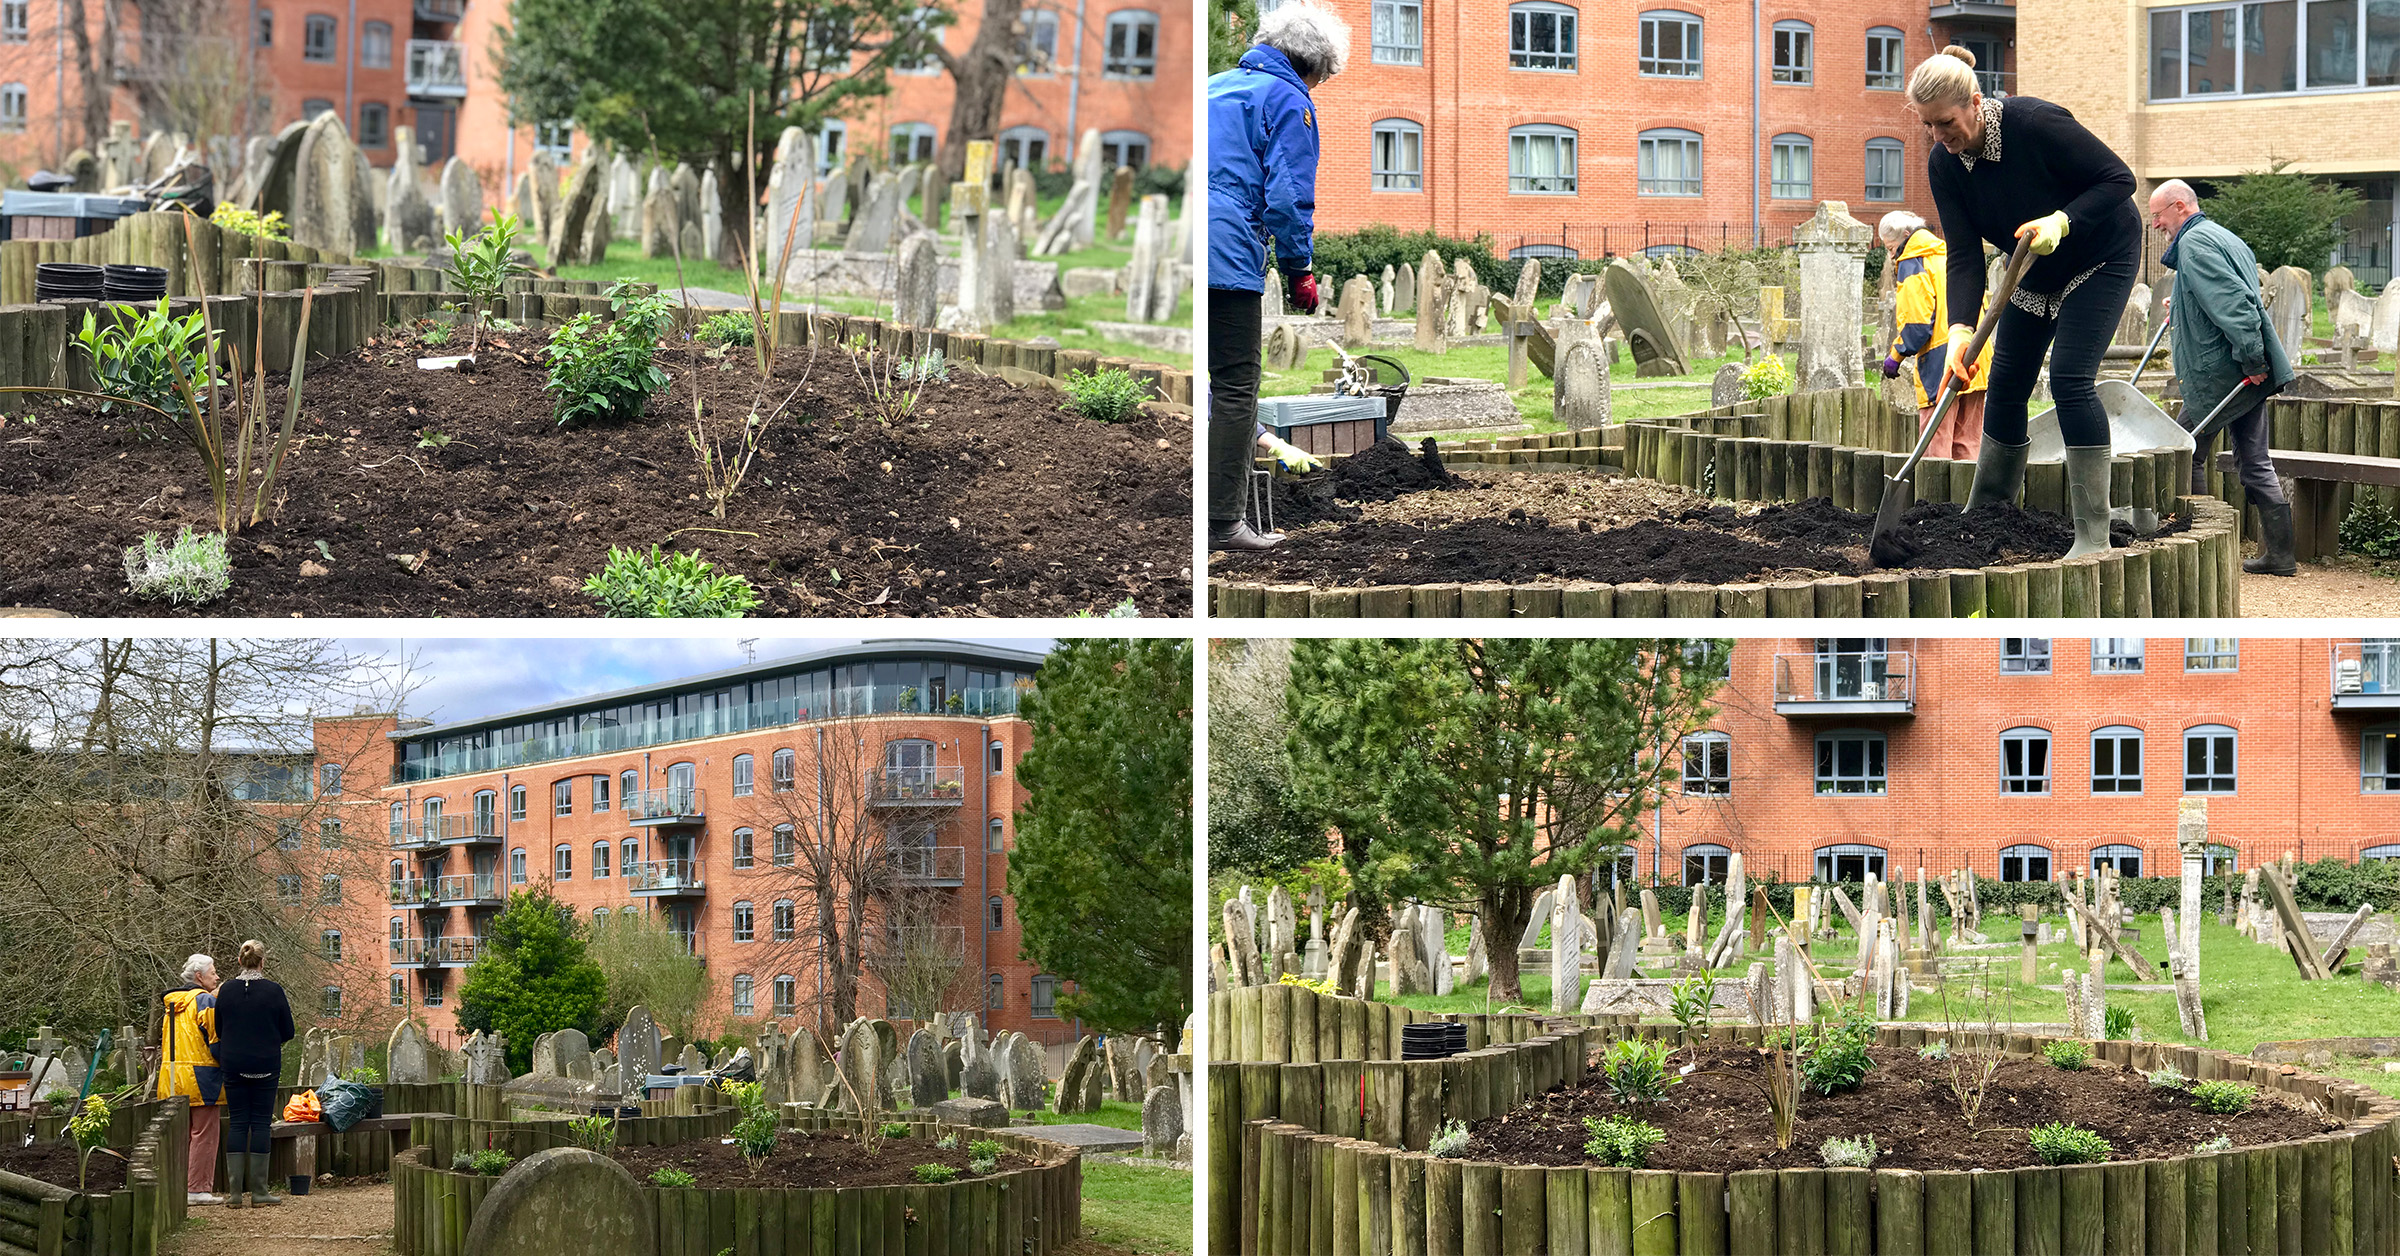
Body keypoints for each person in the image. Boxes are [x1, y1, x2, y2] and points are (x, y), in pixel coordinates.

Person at [1913, 45, 2141, 559]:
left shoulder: (2034, 123)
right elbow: (1964, 255)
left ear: (1975, 103)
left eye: (1946, 122)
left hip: (2100, 255)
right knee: (2006, 384)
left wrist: (2062, 220)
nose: (1939, 136)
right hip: (2031, 269)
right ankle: (1989, 517)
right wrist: (1958, 332)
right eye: (1928, 125)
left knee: (2069, 379)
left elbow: (2119, 179)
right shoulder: (1945, 164)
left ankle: (2093, 536)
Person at [1205, 2, 1352, 551]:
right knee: (1235, 382)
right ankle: (1224, 523)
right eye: (1322, 78)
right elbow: (1288, 197)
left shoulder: (1214, 86)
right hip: (1225, 250)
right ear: (1312, 66)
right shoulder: (1290, 99)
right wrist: (1299, 271)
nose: (1317, 87)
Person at [2148, 179, 2297, 575]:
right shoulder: (2224, 237)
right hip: (2240, 371)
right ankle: (2281, 556)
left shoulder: (2194, 245)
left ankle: (2200, 549)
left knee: (2183, 453)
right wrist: (2182, 304)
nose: (2156, 224)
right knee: (2255, 460)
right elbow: (2228, 292)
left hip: (2222, 376)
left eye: (2158, 215)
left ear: (2180, 207)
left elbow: (2235, 305)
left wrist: (2252, 361)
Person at [1877, 210, 1993, 461]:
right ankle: (1969, 489)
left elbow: (1917, 325)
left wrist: (1895, 357)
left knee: (1936, 445)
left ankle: (1934, 489)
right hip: (1976, 356)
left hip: (1941, 364)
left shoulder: (1913, 261)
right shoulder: (1950, 253)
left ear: (1905, 236)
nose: (1891, 255)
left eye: (1891, 248)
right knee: (1969, 443)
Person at [210, 940, 294, 1208]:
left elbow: (219, 1029)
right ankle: (259, 1192)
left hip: (233, 1064)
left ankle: (235, 1194)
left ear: (239, 961)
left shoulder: (226, 990)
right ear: (262, 962)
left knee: (237, 1123)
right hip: (265, 1065)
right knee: (260, 1124)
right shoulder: (274, 991)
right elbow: (289, 1031)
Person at [158, 953, 225, 1205]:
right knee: (205, 1134)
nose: (217, 977)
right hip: (202, 1077)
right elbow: (216, 1041)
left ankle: (177, 1188)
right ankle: (197, 1189)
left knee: (181, 1135)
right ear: (199, 976)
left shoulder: (172, 1004)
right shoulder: (205, 1001)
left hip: (172, 1077)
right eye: (213, 972)